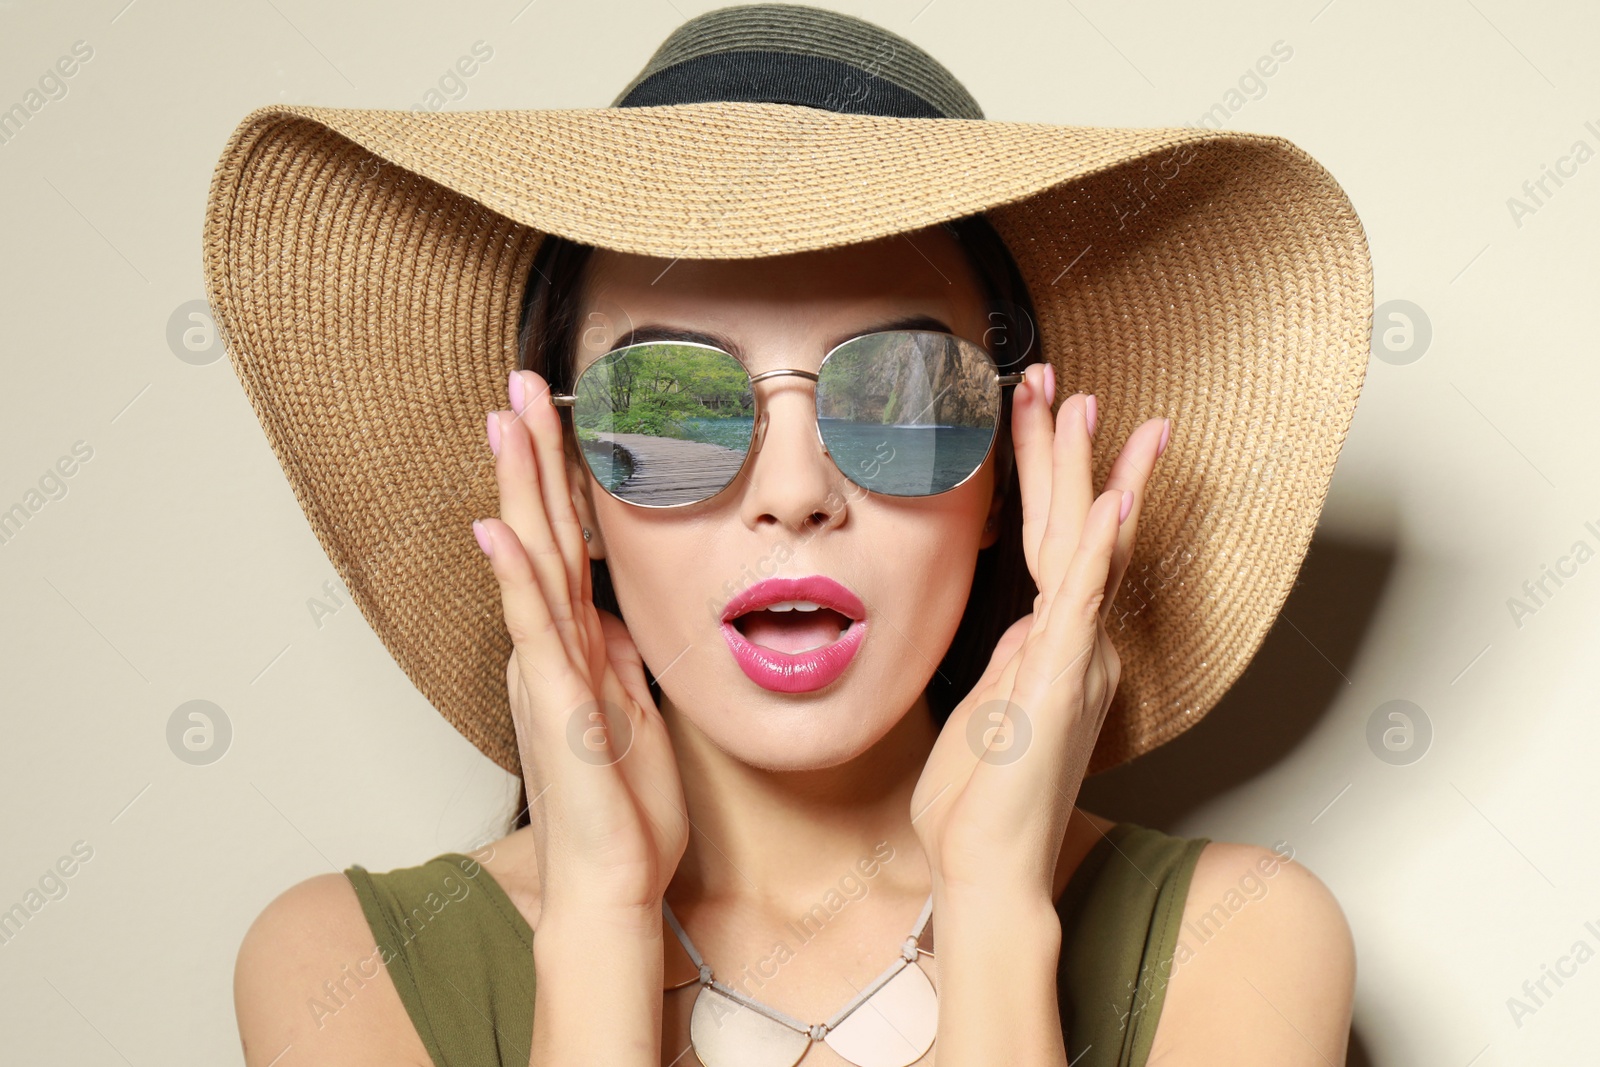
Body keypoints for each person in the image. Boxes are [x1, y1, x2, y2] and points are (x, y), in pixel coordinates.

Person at [210, 5, 1371, 1065]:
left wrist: (994, 907)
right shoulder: (341, 967)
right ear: (569, 490)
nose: (797, 489)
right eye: (668, 403)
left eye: (900, 394)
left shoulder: (1244, 939)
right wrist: (601, 918)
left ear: (1007, 486)